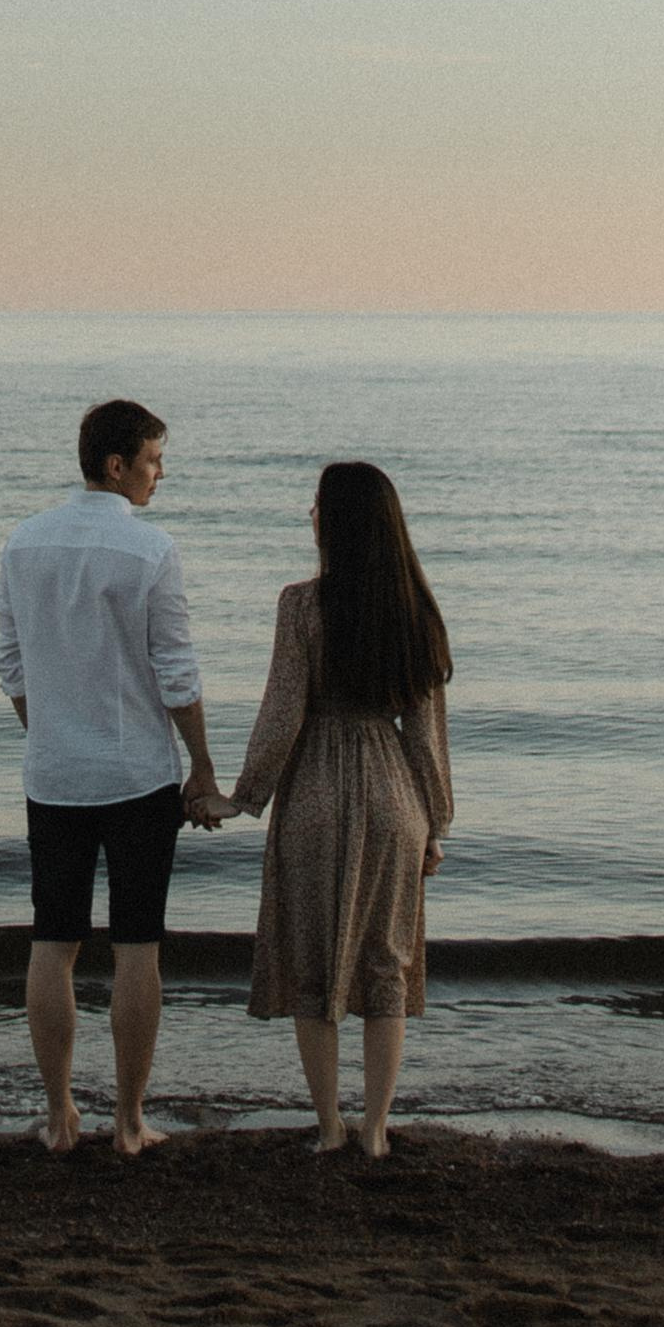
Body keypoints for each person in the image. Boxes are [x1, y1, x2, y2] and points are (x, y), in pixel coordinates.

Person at [0, 397, 225, 1154]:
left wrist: (51, 733)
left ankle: (60, 1116)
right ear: (116, 464)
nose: (161, 475)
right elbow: (177, 675)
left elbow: (11, 664)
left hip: (54, 774)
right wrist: (201, 764)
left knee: (51, 942)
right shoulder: (151, 551)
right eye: (153, 460)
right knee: (136, 947)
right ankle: (128, 1122)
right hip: (136, 776)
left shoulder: (23, 544)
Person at [215, 459, 452, 1157]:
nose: (309, 516)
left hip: (315, 789)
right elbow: (426, 733)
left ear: (334, 522)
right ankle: (376, 1130)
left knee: (314, 965)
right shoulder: (416, 610)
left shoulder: (300, 606)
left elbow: (283, 711)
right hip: (392, 797)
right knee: (387, 965)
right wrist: (433, 823)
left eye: (315, 505)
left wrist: (242, 794)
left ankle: (327, 1128)